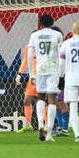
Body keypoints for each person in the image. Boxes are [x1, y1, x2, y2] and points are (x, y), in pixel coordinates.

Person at [26, 14, 64, 142]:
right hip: (53, 69)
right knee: (52, 100)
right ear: (52, 22)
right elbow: (61, 55)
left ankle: (40, 125)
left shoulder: (34, 35)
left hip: (40, 69)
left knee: (41, 97)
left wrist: (31, 74)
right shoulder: (57, 35)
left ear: (40, 23)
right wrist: (62, 73)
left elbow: (30, 56)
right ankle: (49, 133)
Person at [15, 43, 38, 132]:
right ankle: (28, 125)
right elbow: (25, 60)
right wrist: (19, 74)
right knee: (27, 101)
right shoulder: (29, 47)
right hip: (33, 78)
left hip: (43, 77)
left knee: (43, 101)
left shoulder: (44, 47)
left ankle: (47, 125)